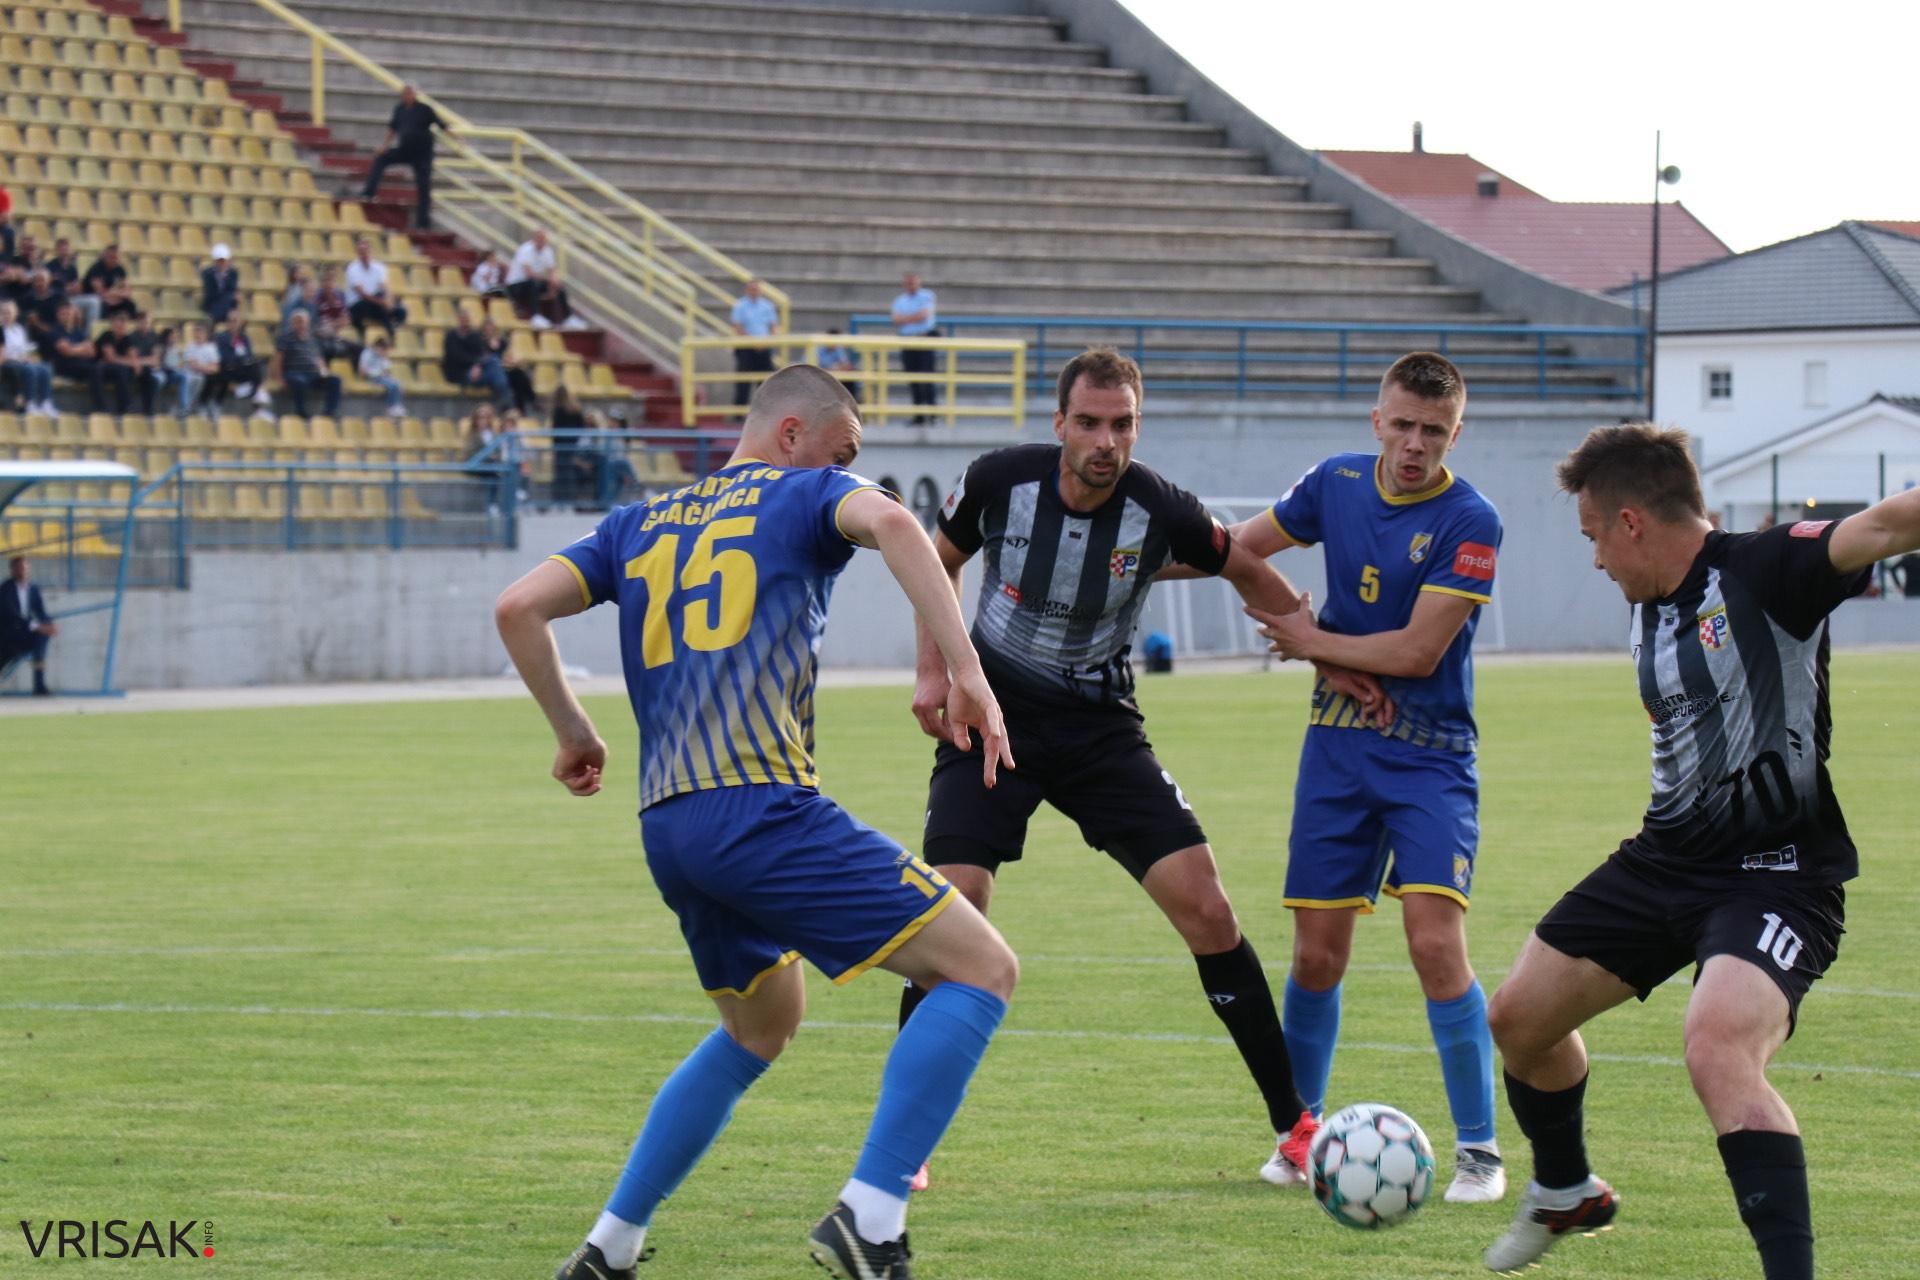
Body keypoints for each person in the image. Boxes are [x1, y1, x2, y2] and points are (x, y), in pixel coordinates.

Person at [496, 363, 1018, 1280]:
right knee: (983, 970)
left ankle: (609, 1247)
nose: (852, 469)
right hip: (761, 808)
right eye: (845, 451)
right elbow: (897, 523)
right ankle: (873, 1211)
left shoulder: (637, 523)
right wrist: (966, 671)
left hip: (669, 825)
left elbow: (517, 608)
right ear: (791, 435)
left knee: (761, 1026)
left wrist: (574, 732)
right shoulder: (803, 493)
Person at [903, 347, 1357, 1189]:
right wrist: (938, 670)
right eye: (1090, 423)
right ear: (1060, 424)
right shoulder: (1000, 480)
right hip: (996, 709)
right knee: (956, 904)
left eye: (1123, 425)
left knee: (1209, 909)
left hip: (1101, 728)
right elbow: (936, 562)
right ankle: (908, 1138)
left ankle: (1296, 1123)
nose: (1106, 441)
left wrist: (1321, 648)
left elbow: (1249, 571)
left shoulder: (1163, 509)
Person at [1479, 426, 1920, 1276]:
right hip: (1664, 862)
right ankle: (1566, 1189)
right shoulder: (1649, 606)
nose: (1596, 560)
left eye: (1594, 536)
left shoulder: (1765, 569)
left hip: (1778, 878)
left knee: (1716, 1044)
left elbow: (1891, 525)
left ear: (1632, 521)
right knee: (1519, 1019)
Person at [1234, 352, 1508, 1204]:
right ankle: (1300, 1135)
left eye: (1434, 430)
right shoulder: (1336, 482)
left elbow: (1418, 651)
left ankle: (1480, 1154)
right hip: (1337, 747)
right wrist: (1288, 614)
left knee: (1434, 943)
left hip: (1430, 755)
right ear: (1376, 420)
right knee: (1317, 956)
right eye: (1402, 424)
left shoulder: (1473, 519)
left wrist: (1311, 644)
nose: (1415, 443)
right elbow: (1242, 551)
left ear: (1455, 433)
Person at [359, 84, 443, 229]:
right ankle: (369, 192)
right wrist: (384, 146)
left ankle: (423, 223)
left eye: (410, 93)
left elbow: (442, 125)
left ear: (415, 94)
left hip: (422, 154)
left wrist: (458, 138)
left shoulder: (425, 109)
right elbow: (392, 128)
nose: (407, 96)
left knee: (424, 186)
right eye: (405, 93)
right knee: (381, 158)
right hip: (405, 150)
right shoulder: (399, 109)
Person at [506, 229, 582, 331]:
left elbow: (552, 269)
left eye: (544, 240)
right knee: (533, 284)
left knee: (559, 285)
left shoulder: (547, 250)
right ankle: (536, 316)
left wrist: (554, 281)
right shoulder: (525, 250)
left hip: (534, 282)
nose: (542, 242)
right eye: (540, 239)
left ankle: (568, 318)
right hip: (515, 285)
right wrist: (548, 280)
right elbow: (529, 274)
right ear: (535, 239)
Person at [2, 556, 57, 697]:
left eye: (25, 568)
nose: (23, 571)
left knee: (42, 638)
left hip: (26, 632)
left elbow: (40, 611)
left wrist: (49, 624)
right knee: (7, 652)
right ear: (13, 570)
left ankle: (39, 686)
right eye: (19, 568)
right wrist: (37, 626)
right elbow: (11, 614)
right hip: (9, 633)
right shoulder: (6, 588)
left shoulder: (33, 588)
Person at [49, 303, 118, 413]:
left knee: (115, 369)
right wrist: (81, 348)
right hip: (66, 367)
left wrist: (73, 348)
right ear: (58, 315)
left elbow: (92, 351)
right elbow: (66, 352)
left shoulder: (78, 331)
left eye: (69, 313)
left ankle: (123, 407)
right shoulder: (55, 331)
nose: (67, 316)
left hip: (84, 364)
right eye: (63, 314)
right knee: (95, 369)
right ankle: (101, 408)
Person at [889, 272, 938, 424]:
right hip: (908, 341)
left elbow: (924, 316)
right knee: (913, 378)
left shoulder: (927, 295)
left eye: (914, 283)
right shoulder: (900, 300)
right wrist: (913, 318)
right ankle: (918, 415)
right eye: (909, 283)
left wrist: (906, 319)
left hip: (925, 339)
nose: (911, 286)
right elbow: (896, 320)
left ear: (919, 283)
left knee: (927, 376)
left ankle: (932, 413)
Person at [274, 310, 342, 418]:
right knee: (299, 381)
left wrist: (324, 372)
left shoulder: (313, 339)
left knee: (335, 380)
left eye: (304, 322)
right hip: (294, 372)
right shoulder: (285, 338)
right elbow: (278, 359)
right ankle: (301, 412)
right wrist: (279, 379)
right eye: (299, 322)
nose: (302, 324)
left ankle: (329, 412)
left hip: (313, 374)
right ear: (293, 323)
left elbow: (319, 358)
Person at [441, 307, 513, 407]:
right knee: (495, 365)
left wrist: (477, 365)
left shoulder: (474, 336)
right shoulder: (451, 337)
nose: (465, 322)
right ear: (458, 320)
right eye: (463, 319)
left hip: (475, 371)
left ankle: (505, 397)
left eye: (467, 320)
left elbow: (481, 354)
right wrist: (475, 364)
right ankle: (506, 399)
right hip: (459, 373)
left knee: (495, 362)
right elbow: (456, 357)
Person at [728, 277, 779, 406]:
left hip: (764, 347)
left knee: (766, 382)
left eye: (756, 289)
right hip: (745, 348)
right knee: (743, 382)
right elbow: (738, 327)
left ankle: (765, 412)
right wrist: (753, 342)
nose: (754, 291)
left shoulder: (767, 306)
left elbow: (773, 327)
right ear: (747, 290)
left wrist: (767, 342)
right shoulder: (740, 305)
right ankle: (739, 413)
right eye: (751, 289)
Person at [214, 311, 275, 419]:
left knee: (257, 364)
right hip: (229, 369)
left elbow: (249, 354)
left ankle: (253, 392)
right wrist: (241, 359)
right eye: (230, 321)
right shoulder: (222, 337)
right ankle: (256, 393)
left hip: (242, 368)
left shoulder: (244, 338)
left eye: (235, 321)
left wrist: (244, 360)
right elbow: (224, 357)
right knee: (251, 368)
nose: (233, 324)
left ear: (240, 323)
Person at [1, 299, 55, 416]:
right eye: (4, 312)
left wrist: (28, 357)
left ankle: (45, 402)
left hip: (21, 360)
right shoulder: (1, 330)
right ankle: (29, 403)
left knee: (45, 367)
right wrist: (19, 360)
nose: (6, 315)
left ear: (15, 313)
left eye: (9, 312)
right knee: (29, 369)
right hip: (8, 363)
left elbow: (24, 349)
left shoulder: (19, 329)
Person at [94, 311, 155, 415]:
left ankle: (148, 411)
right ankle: (124, 408)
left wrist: (134, 363)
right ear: (113, 325)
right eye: (119, 324)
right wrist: (129, 362)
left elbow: (134, 359)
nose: (122, 326)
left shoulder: (126, 339)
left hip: (118, 368)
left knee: (147, 373)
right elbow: (110, 358)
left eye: (124, 324)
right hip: (101, 368)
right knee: (122, 370)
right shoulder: (107, 335)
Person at [345, 238, 407, 338]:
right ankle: (390, 332)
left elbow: (385, 287)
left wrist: (388, 300)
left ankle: (392, 328)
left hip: (376, 303)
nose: (364, 254)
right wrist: (382, 302)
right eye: (361, 251)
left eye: (366, 251)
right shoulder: (353, 268)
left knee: (402, 311)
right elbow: (362, 294)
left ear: (371, 251)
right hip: (358, 305)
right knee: (380, 303)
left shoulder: (379, 267)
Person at [481, 317, 536, 413]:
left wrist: (512, 362)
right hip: (493, 372)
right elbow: (484, 359)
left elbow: (508, 356)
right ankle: (530, 402)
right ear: (484, 329)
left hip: (505, 368)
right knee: (516, 377)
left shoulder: (502, 342)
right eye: (487, 327)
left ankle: (524, 406)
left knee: (518, 375)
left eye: (491, 327)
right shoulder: (481, 342)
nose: (490, 329)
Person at [172, 322, 220, 419]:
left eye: (201, 333)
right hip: (189, 374)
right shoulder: (191, 347)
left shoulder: (211, 348)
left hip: (203, 375)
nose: (198, 335)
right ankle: (185, 408)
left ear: (206, 335)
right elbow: (189, 364)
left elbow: (215, 368)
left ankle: (191, 407)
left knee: (202, 380)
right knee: (188, 379)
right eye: (197, 332)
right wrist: (204, 367)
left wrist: (200, 367)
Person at [82, 244, 136, 322]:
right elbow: (100, 293)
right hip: (95, 298)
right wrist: (118, 294)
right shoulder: (96, 268)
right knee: (103, 305)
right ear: (105, 256)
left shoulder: (120, 269)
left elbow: (127, 292)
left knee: (130, 304)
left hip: (113, 299)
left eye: (117, 257)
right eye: (112, 257)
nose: (114, 259)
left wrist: (114, 294)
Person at [357, 336, 406, 418]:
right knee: (392, 385)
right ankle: (391, 407)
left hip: (381, 377)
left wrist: (385, 373)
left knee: (396, 384)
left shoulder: (383, 356)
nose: (385, 352)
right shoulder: (367, 353)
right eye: (384, 349)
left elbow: (387, 371)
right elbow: (363, 370)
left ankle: (396, 405)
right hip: (371, 377)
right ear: (378, 347)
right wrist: (375, 373)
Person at [818, 327, 860, 402]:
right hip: (820, 378)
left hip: (834, 376)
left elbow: (844, 364)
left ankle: (852, 402)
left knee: (851, 376)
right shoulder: (816, 349)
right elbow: (809, 366)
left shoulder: (838, 349)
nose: (837, 343)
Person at [201, 244, 241, 323]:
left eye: (223, 261)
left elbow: (232, 290)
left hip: (228, 306)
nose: (221, 263)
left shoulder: (233, 273)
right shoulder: (207, 273)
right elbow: (210, 293)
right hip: (213, 305)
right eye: (219, 260)